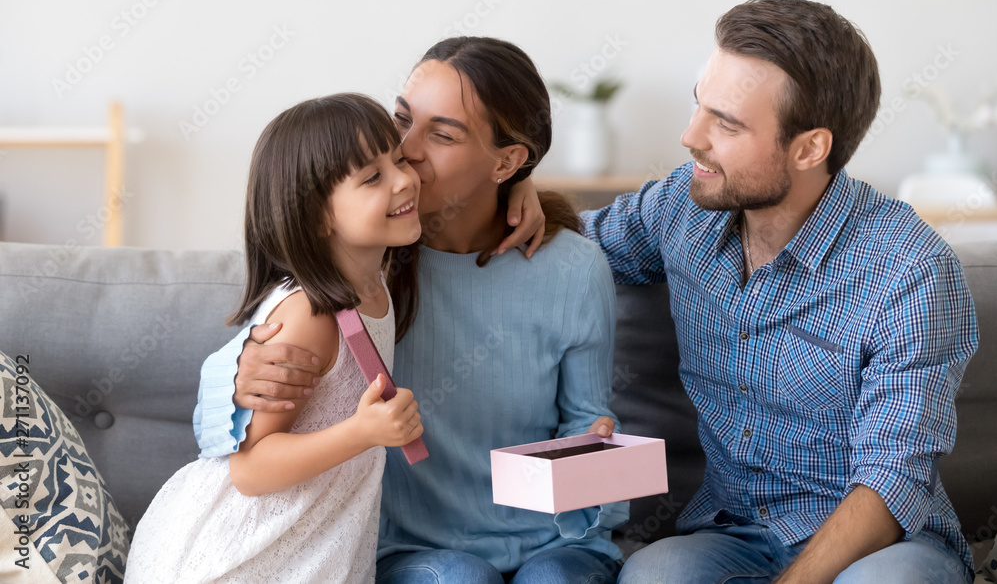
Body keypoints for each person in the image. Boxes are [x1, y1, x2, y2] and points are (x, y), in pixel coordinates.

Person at [192, 37, 627, 583]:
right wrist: (236, 370)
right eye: (401, 120)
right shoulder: (371, 259)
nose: (407, 151)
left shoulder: (575, 269)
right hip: (410, 547)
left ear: (508, 161)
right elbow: (238, 437)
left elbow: (589, 422)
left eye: (442, 135)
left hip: (554, 543)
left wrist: (593, 453)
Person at [578, 0, 975, 583]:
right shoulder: (680, 209)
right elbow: (567, 248)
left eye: (727, 124)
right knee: (654, 575)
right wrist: (517, 201)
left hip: (878, 546)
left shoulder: (910, 269)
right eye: (698, 105)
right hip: (732, 532)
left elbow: (893, 478)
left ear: (810, 148)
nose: (690, 137)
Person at [125, 93, 425, 582]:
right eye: (373, 177)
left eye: (400, 160)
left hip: (300, 547)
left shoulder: (375, 277)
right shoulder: (309, 316)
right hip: (236, 557)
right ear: (318, 216)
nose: (405, 180)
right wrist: (362, 433)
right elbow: (250, 470)